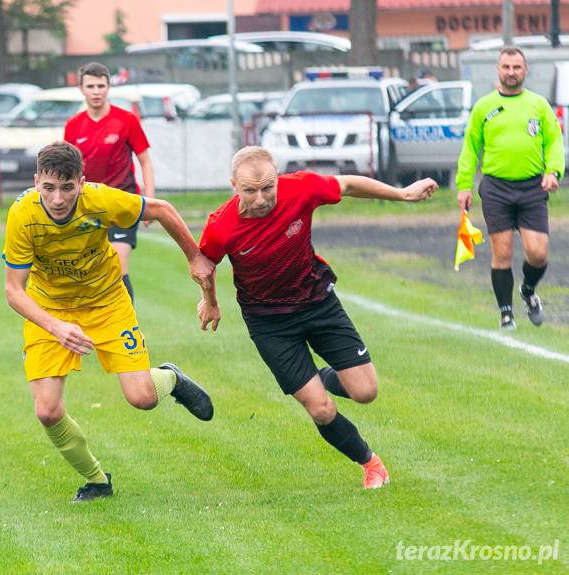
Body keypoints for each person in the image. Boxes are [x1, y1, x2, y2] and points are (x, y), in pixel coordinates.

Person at [193, 146, 437, 489]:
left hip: (318, 302)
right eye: (250, 191)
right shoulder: (222, 226)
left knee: (366, 392)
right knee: (320, 409)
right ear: (234, 185)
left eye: (268, 187)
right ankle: (371, 464)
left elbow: (348, 185)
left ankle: (317, 377)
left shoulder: (301, 188)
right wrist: (210, 300)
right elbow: (204, 262)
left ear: (278, 177)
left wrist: (402, 194)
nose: (261, 198)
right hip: (269, 323)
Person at [3, 141, 214, 502]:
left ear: (81, 183)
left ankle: (170, 377)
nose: (57, 199)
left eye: (67, 188)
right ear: (36, 181)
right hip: (50, 310)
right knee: (47, 411)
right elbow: (14, 291)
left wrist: (195, 257)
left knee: (143, 399)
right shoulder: (22, 215)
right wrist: (56, 326)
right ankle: (98, 481)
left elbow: (162, 210)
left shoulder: (100, 201)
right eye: (49, 188)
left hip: (106, 302)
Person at [456, 46, 564, 330]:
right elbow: (470, 148)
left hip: (531, 187)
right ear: (498, 69)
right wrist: (464, 185)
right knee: (502, 253)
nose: (511, 72)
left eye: (517, 67)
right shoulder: (484, 107)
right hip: (496, 188)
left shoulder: (538, 105)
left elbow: (554, 141)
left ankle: (527, 291)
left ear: (525, 70)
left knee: (538, 253)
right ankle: (506, 315)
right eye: (506, 67)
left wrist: (553, 170)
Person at [64, 62, 155, 302]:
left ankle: (127, 329)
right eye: (91, 86)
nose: (96, 91)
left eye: (101, 86)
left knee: (118, 265)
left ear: (109, 87)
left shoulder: (126, 120)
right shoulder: (73, 126)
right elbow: (69, 172)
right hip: (88, 207)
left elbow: (145, 161)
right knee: (89, 271)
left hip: (123, 202)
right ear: (81, 89)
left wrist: (150, 201)